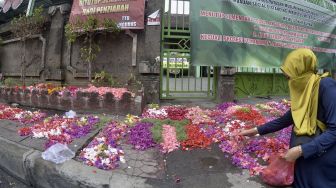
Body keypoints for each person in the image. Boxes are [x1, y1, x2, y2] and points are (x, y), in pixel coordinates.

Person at [239, 48, 336, 188]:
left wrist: (301, 150)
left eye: (289, 77)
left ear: (300, 71)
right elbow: (286, 119)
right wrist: (253, 131)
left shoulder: (327, 86)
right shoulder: (304, 91)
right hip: (305, 157)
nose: (289, 82)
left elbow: (334, 130)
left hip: (321, 159)